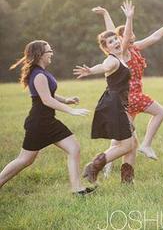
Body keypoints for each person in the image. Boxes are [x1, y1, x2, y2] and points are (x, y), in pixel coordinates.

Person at [0, 40, 95, 196]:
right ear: (40, 55)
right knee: (25, 159)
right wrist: (70, 110)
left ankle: (77, 189)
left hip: (47, 121)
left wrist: (66, 100)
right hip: (39, 123)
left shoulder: (41, 73)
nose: (52, 54)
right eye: (49, 51)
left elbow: (48, 93)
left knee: (74, 148)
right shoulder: (38, 75)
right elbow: (46, 100)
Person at [91, 6, 163, 160]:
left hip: (127, 99)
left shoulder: (135, 48)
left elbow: (155, 37)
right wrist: (125, 17)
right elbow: (113, 33)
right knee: (160, 112)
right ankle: (146, 145)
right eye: (128, 32)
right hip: (133, 96)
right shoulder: (123, 51)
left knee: (123, 138)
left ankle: (106, 162)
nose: (131, 33)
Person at [73, 1, 136, 184]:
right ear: (106, 48)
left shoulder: (121, 55)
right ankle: (94, 166)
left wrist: (118, 16)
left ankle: (127, 181)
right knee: (127, 144)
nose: (116, 41)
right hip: (114, 105)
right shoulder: (112, 60)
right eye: (111, 42)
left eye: (116, 39)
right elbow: (103, 66)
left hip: (118, 104)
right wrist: (91, 71)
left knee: (128, 142)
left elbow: (114, 34)